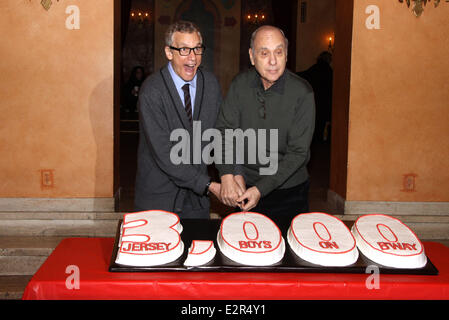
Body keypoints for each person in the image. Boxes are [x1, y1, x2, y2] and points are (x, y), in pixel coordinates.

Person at [215, 25, 315, 222]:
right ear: (252, 57)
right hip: (244, 185)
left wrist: (260, 189)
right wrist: (227, 174)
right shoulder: (240, 84)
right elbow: (224, 131)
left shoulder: (303, 93)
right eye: (264, 53)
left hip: (289, 192)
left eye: (279, 52)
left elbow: (298, 153)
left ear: (286, 54)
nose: (272, 61)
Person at [134, 21, 222, 219]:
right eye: (184, 49)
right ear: (169, 52)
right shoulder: (152, 90)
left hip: (196, 201)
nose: (192, 58)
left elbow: (221, 135)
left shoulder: (211, 84)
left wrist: (231, 175)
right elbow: (166, 155)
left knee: (198, 249)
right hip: (158, 199)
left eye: (197, 49)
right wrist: (210, 186)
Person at [297, 51, 333, 143]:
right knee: (320, 125)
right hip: (324, 102)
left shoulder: (314, 69)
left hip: (313, 100)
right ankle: (319, 143)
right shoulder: (330, 72)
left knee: (312, 123)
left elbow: (302, 76)